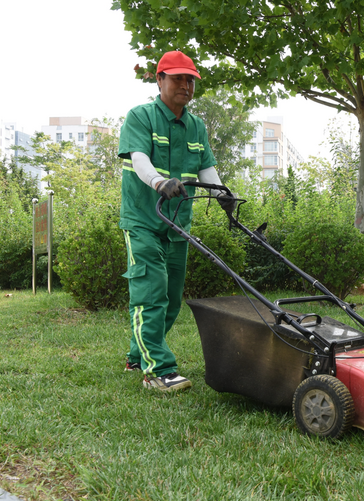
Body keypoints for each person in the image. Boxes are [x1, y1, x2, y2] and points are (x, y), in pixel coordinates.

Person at [118, 50, 229, 392]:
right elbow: (139, 159)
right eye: (178, 78)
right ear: (160, 79)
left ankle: (138, 355)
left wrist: (222, 192)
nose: (186, 85)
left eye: (190, 79)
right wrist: (158, 182)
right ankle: (158, 370)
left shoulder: (196, 125)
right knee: (151, 293)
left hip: (178, 223)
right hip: (143, 220)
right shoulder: (141, 116)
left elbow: (205, 166)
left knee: (171, 297)